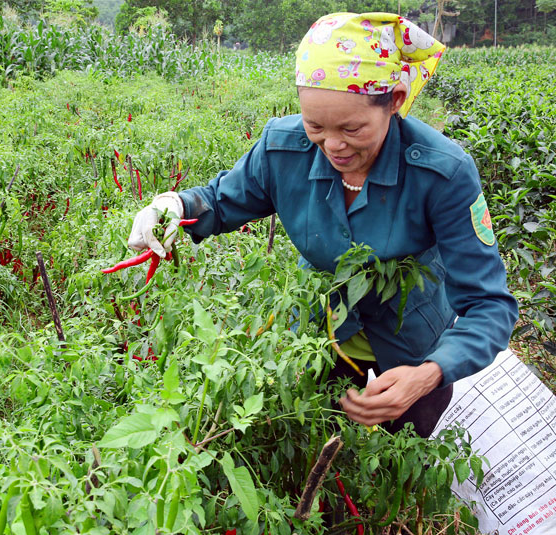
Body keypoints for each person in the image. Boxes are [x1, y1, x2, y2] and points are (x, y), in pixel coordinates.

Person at [127, 12, 518, 439]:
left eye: (352, 128)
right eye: (315, 125)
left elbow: (490, 306)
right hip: (319, 334)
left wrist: (428, 374)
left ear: (395, 100)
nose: (333, 145)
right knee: (314, 449)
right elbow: (221, 201)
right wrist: (174, 205)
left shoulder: (442, 173)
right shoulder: (282, 149)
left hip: (412, 343)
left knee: (403, 455)